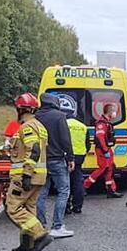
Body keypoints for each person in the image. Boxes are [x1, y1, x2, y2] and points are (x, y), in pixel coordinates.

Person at [7, 93, 53, 251]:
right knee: (28, 210)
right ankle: (26, 246)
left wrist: (26, 174)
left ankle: (40, 235)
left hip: (26, 176)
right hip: (39, 176)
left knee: (14, 208)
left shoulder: (27, 127)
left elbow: (33, 149)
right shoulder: (40, 126)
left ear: (20, 109)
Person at [35, 93, 75, 239]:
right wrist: (71, 157)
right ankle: (57, 226)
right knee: (63, 191)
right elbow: (65, 139)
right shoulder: (59, 116)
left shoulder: (36, 116)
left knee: (41, 193)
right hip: (57, 159)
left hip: (40, 161)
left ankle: (40, 225)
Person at [85, 103, 123, 198]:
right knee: (103, 168)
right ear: (109, 112)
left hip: (106, 148)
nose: (115, 113)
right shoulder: (101, 123)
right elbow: (100, 137)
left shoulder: (106, 122)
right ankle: (84, 185)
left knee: (110, 169)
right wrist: (105, 150)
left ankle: (111, 190)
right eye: (114, 111)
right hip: (102, 149)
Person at [65, 104, 88, 214]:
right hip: (79, 156)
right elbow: (87, 143)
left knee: (66, 181)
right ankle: (78, 206)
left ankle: (66, 207)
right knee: (78, 181)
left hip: (66, 155)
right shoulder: (82, 126)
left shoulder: (64, 124)